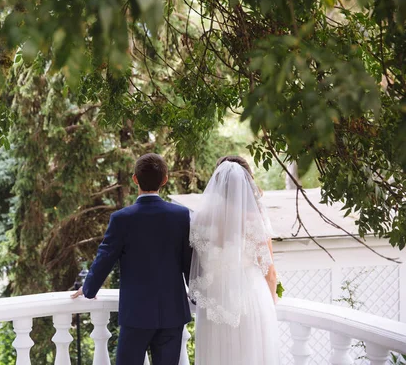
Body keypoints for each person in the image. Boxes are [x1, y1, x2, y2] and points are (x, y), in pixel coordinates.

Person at [71, 153, 192, 365]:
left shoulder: (122, 219)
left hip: (136, 313)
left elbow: (105, 257)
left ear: (135, 179)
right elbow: (189, 262)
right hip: (173, 312)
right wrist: (201, 295)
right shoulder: (181, 216)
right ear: (164, 180)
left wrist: (89, 288)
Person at [189, 155, 280, 365]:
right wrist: (272, 300)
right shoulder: (254, 217)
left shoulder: (201, 217)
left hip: (214, 303)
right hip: (249, 300)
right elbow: (271, 273)